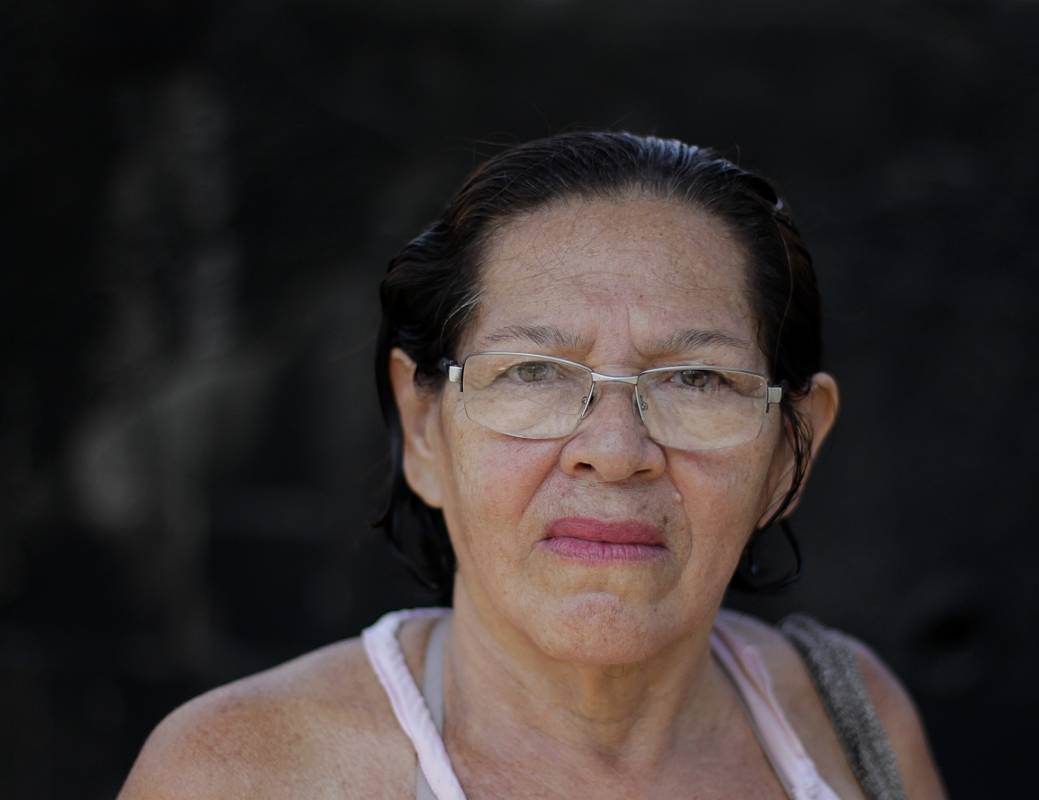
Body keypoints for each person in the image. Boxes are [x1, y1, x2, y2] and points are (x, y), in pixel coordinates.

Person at [120, 132, 946, 799]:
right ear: (424, 429)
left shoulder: (848, 721)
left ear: (789, 454)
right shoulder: (242, 775)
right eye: (533, 373)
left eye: (696, 379)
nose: (615, 452)